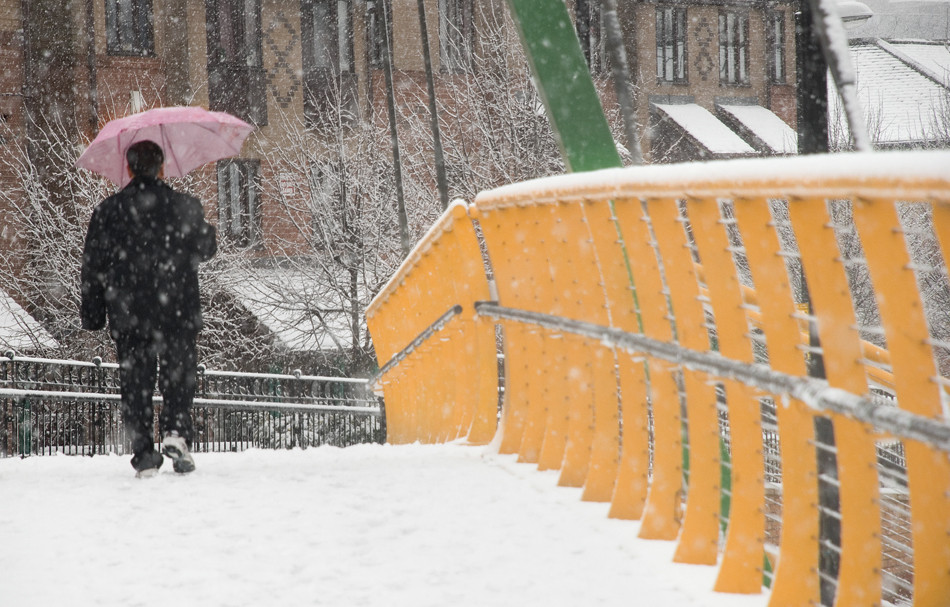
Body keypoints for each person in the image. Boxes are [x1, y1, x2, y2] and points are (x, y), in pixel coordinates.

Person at [80, 140, 216, 477]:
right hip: (177, 310)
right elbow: (207, 247)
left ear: (128, 168)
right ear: (162, 167)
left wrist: (93, 314)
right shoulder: (183, 206)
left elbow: (92, 266)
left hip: (130, 314)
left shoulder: (109, 211)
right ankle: (176, 433)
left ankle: (143, 453)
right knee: (179, 376)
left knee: (136, 383)